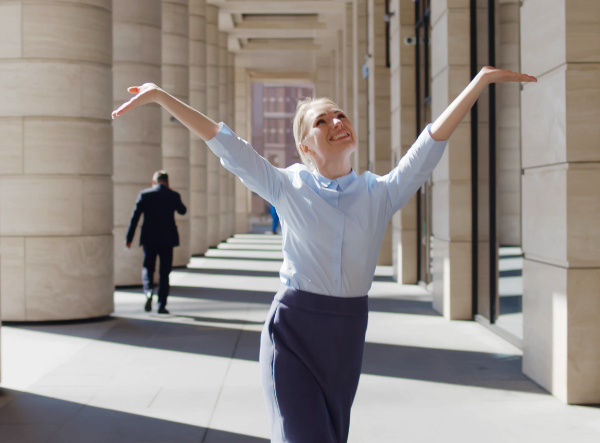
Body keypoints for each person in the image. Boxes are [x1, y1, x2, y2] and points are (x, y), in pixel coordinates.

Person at [112, 66, 536, 443]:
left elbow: (430, 146)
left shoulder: (379, 193)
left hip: (346, 339)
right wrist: (161, 96)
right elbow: (226, 144)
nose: (336, 122)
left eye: (340, 115)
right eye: (322, 120)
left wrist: (479, 82)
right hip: (292, 334)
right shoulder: (287, 186)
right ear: (305, 146)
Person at [125, 170, 187, 314]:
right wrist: (172, 194)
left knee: (148, 267)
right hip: (167, 240)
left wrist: (129, 239)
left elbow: (134, 218)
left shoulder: (145, 195)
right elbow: (183, 210)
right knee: (164, 273)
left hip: (149, 239)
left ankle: (148, 292)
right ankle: (161, 305)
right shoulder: (173, 195)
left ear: (154, 182)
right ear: (168, 183)